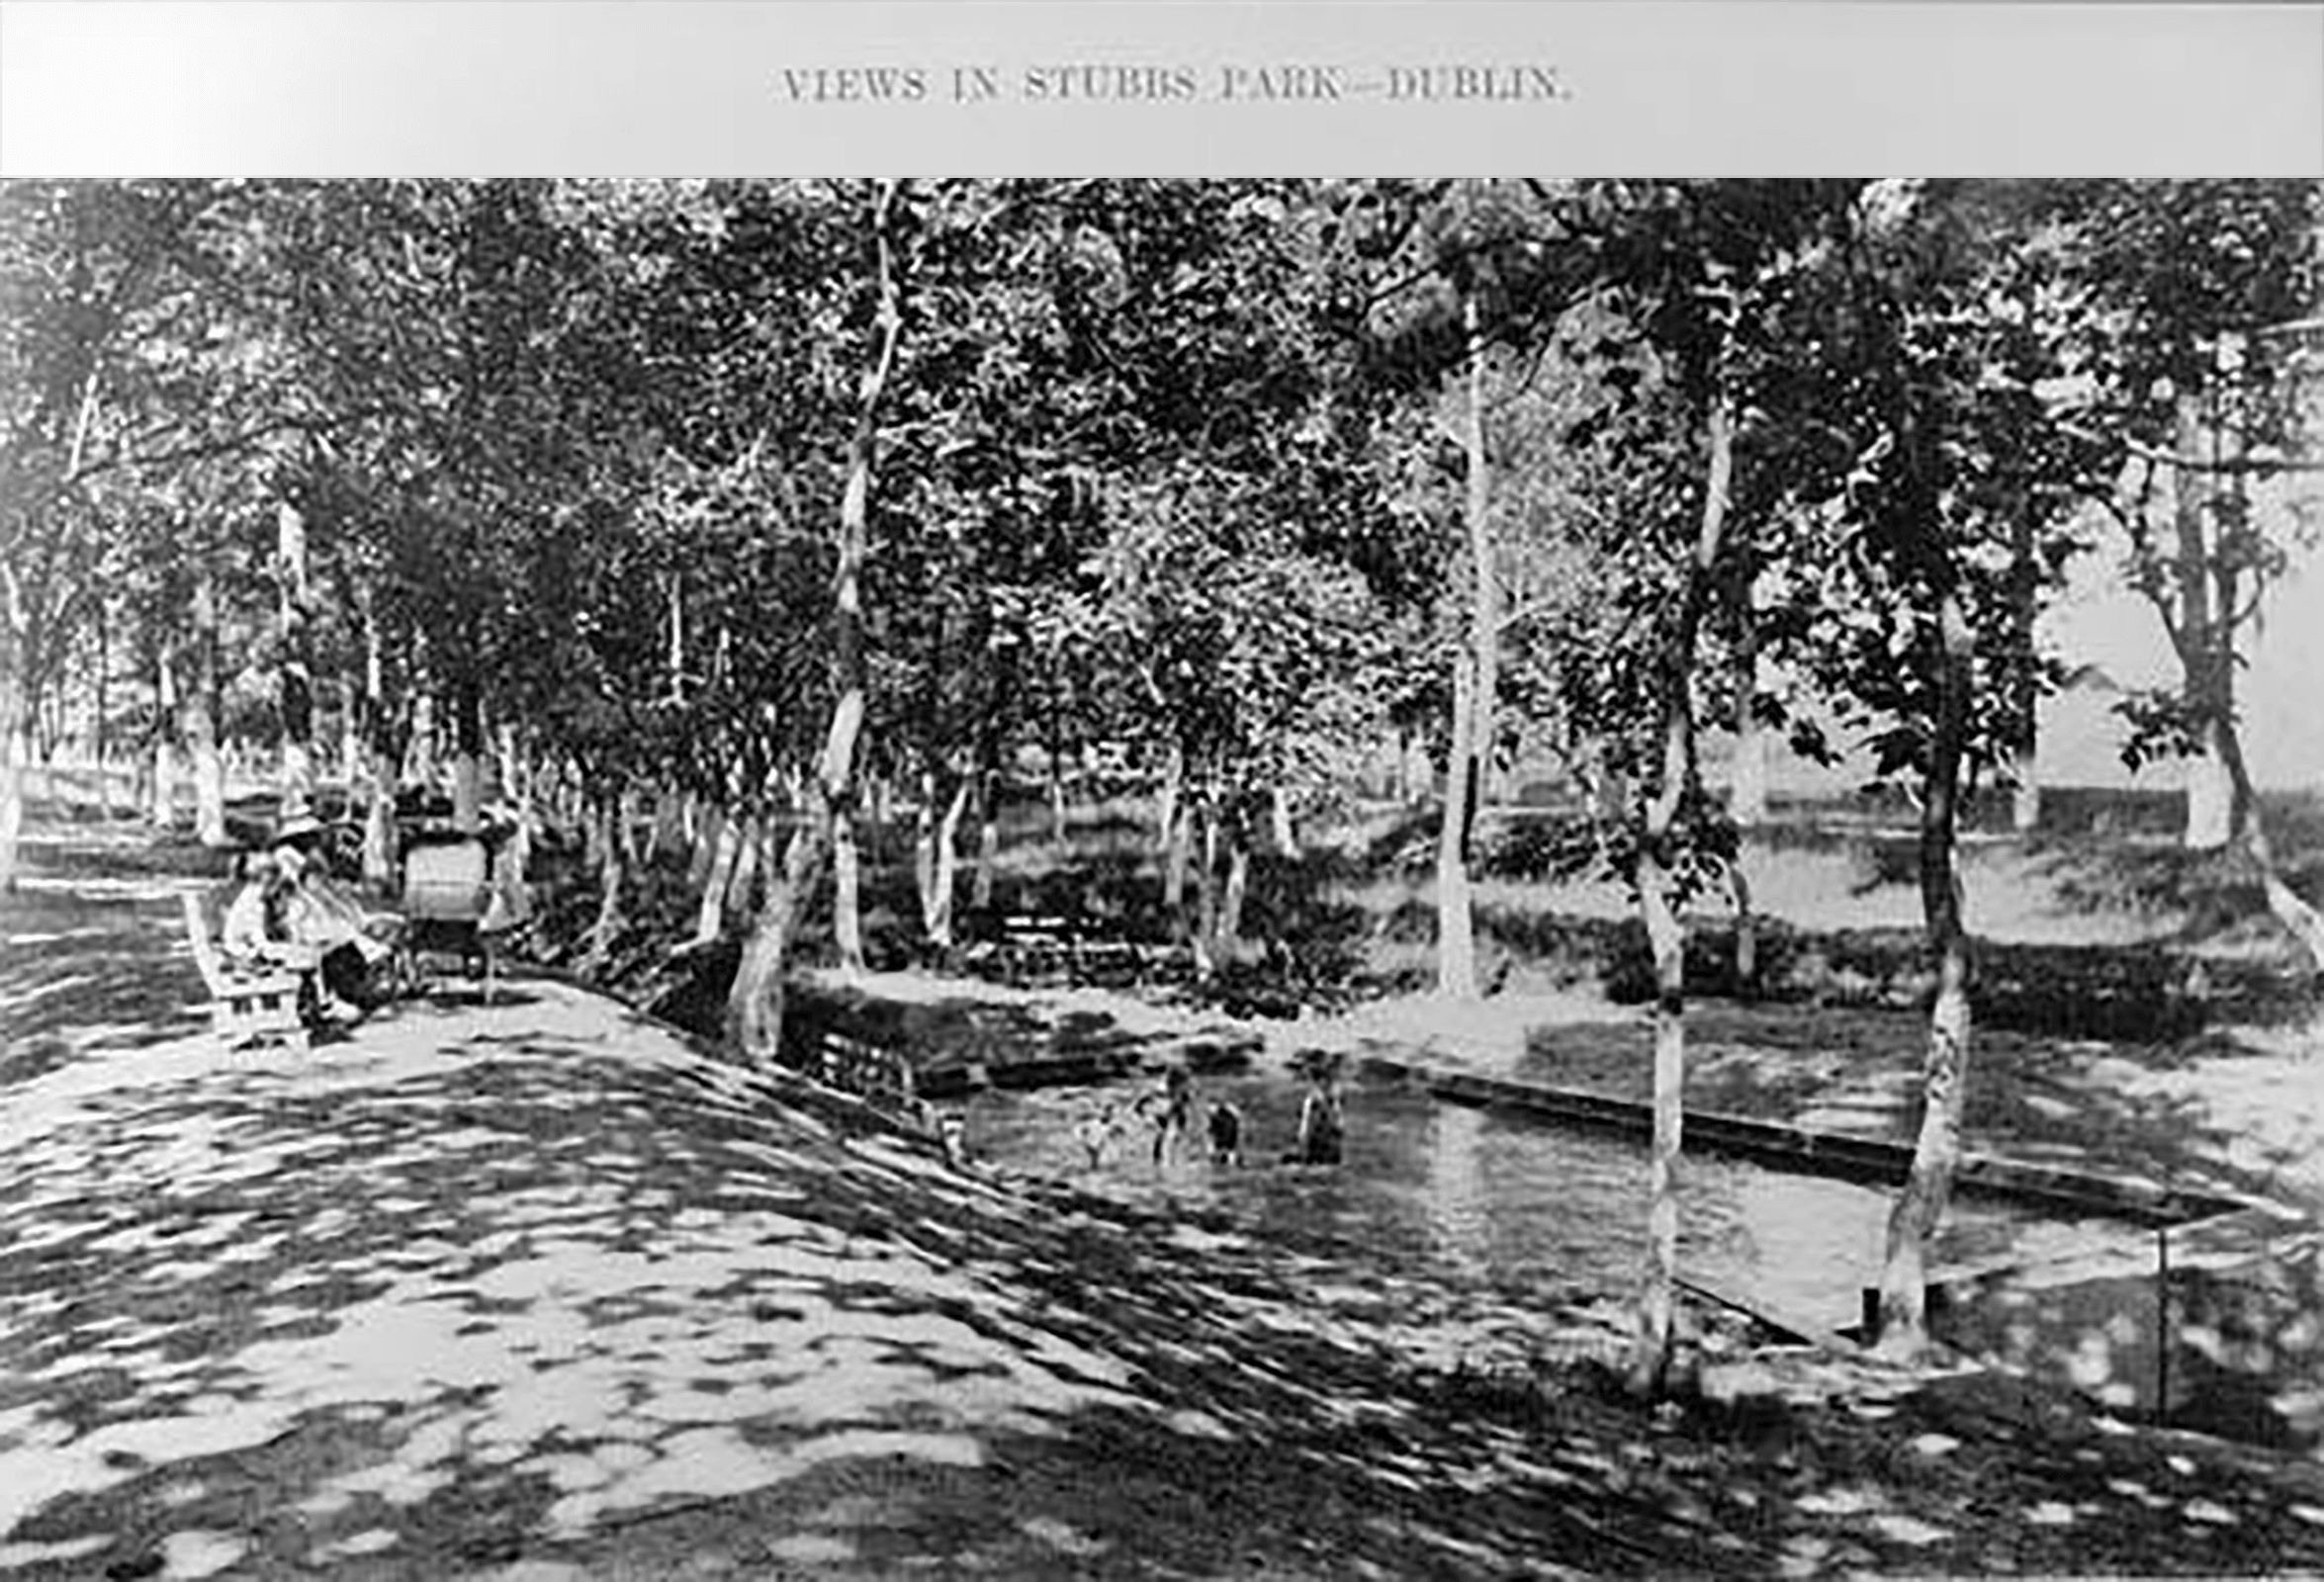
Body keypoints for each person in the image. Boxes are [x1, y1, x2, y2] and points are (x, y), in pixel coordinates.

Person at [1292, 1054, 1345, 1167]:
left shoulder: (1327, 1097)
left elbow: (1336, 1115)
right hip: (1318, 1133)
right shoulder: (1315, 1098)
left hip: (1325, 1132)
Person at [1207, 1100, 1244, 1168]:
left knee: (1215, 1146)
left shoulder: (1230, 1116)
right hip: (1228, 1136)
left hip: (1226, 1136)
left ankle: (1232, 1162)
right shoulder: (1232, 1116)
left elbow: (1213, 1126)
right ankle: (1233, 1162)